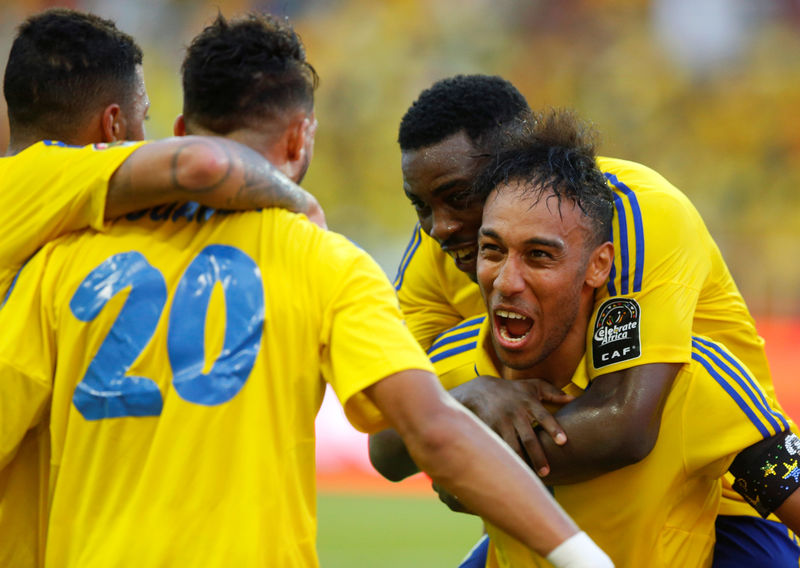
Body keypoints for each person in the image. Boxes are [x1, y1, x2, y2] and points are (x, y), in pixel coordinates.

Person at [0, 13, 613, 567]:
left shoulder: (61, 257)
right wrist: (584, 558)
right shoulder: (326, 262)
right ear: (301, 138)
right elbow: (432, 429)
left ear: (183, 128)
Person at [378, 74, 800, 566]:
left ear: (598, 264)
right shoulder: (442, 271)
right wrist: (460, 405)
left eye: (538, 255)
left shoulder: (634, 214)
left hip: (712, 489)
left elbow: (627, 425)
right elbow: (390, 437)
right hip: (553, 486)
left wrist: (465, 454)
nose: (441, 227)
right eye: (494, 251)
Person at [0, 8, 327, 566]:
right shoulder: (42, 178)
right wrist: (301, 203)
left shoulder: (42, 225)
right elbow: (201, 164)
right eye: (143, 118)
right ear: (114, 128)